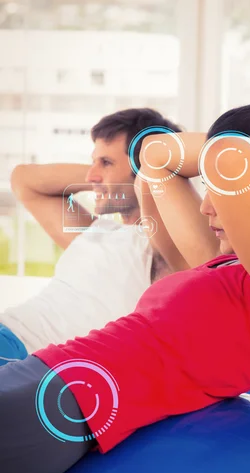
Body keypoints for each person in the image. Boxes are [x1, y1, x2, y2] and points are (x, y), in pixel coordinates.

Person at [0, 104, 250, 473]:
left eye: (216, 189)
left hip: (70, 403)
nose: (205, 205)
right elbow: (156, 157)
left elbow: (226, 159)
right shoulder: (221, 264)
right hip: (47, 370)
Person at [0, 108, 192, 366]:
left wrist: (145, 174)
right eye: (94, 162)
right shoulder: (96, 231)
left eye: (106, 162)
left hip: (27, 359)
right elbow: (24, 179)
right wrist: (106, 180)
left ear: (143, 168)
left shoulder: (166, 249)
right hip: (8, 332)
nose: (91, 175)